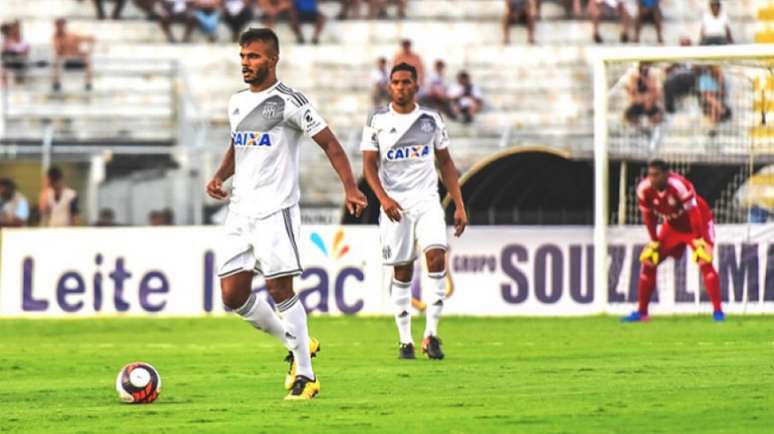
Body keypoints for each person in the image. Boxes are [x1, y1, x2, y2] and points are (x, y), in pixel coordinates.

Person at [205, 28, 367, 400]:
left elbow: (330, 144)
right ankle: (298, 343)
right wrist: (219, 175)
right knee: (232, 296)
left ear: (273, 59)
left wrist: (350, 187)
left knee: (280, 289)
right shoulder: (236, 102)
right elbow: (238, 143)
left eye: (254, 56)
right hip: (240, 211)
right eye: (243, 56)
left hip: (275, 211)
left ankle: (306, 376)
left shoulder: (290, 101)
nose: (246, 63)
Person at [360, 62, 468, 360]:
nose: (401, 87)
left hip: (426, 200)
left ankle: (431, 335)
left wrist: (459, 204)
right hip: (394, 204)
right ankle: (405, 340)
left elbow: (446, 163)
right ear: (389, 86)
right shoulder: (377, 120)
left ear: (416, 86)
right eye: (396, 82)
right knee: (403, 269)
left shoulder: (430, 120)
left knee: (436, 256)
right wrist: (383, 199)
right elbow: (368, 165)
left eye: (407, 82)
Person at [623, 159, 724, 322]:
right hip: (672, 227)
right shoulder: (644, 189)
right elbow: (648, 216)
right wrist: (654, 240)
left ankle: (718, 312)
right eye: (650, 175)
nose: (652, 179)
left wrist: (699, 240)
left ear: (666, 175)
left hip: (698, 224)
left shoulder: (679, 185)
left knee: (704, 260)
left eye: (656, 175)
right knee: (649, 260)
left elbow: (694, 213)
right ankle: (642, 313)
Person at [52, 18, 96, 91]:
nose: (59, 27)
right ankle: (57, 83)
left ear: (64, 26)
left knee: (87, 59)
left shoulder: (72, 36)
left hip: (77, 60)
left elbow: (92, 38)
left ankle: (88, 83)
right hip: (66, 61)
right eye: (58, 26)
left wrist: (88, 51)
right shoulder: (55, 38)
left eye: (61, 25)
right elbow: (58, 52)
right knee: (56, 60)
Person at [663, 36, 697, 114]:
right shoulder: (675, 55)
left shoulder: (696, 54)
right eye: (682, 44)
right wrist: (674, 65)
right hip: (676, 80)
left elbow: (697, 69)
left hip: (690, 79)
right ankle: (670, 110)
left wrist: (694, 67)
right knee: (667, 83)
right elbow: (666, 69)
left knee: (682, 76)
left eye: (686, 44)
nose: (684, 46)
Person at [624, 61, 662, 127]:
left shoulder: (653, 75)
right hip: (638, 101)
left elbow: (657, 91)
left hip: (648, 100)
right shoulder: (634, 75)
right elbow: (631, 90)